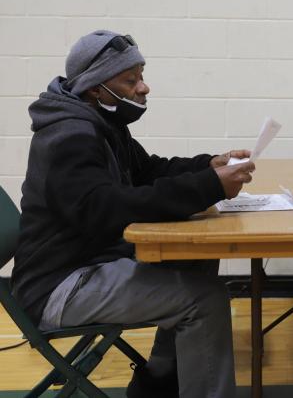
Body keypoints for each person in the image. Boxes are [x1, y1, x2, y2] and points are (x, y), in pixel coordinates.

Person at [11, 30, 256, 398]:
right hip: (59, 285)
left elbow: (148, 170)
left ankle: (156, 385)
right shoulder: (69, 137)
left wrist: (209, 165)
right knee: (204, 300)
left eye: (141, 76)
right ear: (96, 88)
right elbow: (109, 210)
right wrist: (210, 185)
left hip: (90, 262)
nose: (144, 88)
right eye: (131, 80)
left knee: (196, 260)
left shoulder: (100, 123)